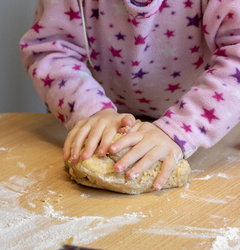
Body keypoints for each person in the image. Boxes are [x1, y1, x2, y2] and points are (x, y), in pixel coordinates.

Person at [20, 0, 240, 190]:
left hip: (207, 121)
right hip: (101, 115)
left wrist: (178, 129)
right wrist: (91, 109)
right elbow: (52, 50)